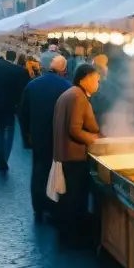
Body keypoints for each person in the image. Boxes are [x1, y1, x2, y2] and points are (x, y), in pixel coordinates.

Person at [53, 64, 102, 245]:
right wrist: (95, 141)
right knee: (75, 198)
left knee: (69, 198)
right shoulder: (78, 96)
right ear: (86, 78)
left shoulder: (70, 93)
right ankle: (72, 238)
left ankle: (68, 234)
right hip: (74, 156)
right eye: (97, 79)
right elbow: (74, 129)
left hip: (65, 154)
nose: (98, 83)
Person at [18, 55, 69, 221]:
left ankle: (38, 207)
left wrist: (27, 135)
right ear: (63, 70)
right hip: (58, 136)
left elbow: (22, 113)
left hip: (38, 135)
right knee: (56, 170)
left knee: (39, 170)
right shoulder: (67, 86)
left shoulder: (32, 85)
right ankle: (52, 206)